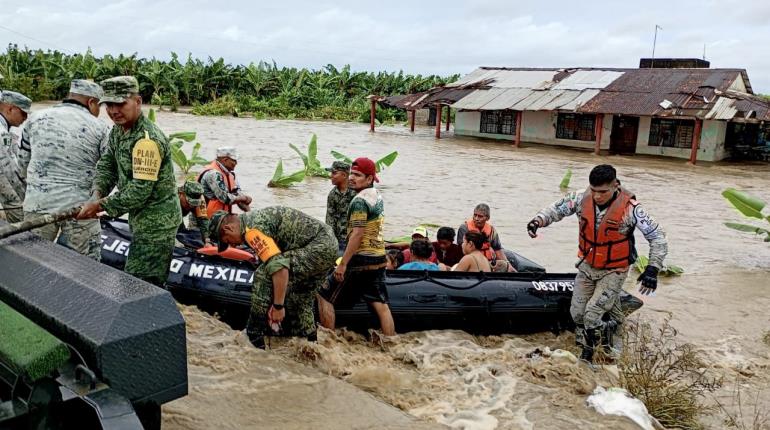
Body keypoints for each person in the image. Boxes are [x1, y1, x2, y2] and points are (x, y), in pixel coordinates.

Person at [526, 164, 667, 363]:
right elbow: (556, 209)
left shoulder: (631, 209)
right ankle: (610, 327)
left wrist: (653, 268)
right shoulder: (580, 198)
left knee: (591, 315)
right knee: (577, 313)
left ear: (615, 185)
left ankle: (590, 356)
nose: (597, 196)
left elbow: (658, 237)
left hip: (614, 271)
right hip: (587, 267)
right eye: (594, 191)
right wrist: (538, 221)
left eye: (602, 192)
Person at [77, 76, 182, 286]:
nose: (114, 111)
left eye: (121, 104)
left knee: (139, 284)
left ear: (138, 102)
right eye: (109, 105)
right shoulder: (118, 131)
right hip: (139, 218)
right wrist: (97, 193)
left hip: (157, 224)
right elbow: (107, 165)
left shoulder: (147, 141)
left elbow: (139, 191)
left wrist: (101, 206)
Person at [208, 207, 337, 348]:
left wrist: (277, 306)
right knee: (301, 300)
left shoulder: (252, 231)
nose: (233, 245)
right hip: (329, 245)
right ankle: (311, 346)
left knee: (263, 274)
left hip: (319, 247)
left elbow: (280, 269)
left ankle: (254, 335)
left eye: (227, 241)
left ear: (228, 228)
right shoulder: (253, 220)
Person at [17, 80, 109, 260]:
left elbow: (22, 164)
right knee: (82, 268)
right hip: (81, 211)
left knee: (32, 263)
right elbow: (108, 171)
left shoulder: (35, 118)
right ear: (91, 102)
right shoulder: (100, 128)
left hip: (38, 205)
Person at [317, 157, 395, 336]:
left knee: (323, 295)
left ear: (369, 179)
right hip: (379, 257)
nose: (352, 177)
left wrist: (343, 264)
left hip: (360, 259)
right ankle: (391, 343)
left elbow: (357, 234)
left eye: (357, 175)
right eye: (352, 173)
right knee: (381, 305)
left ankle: (328, 343)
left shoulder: (359, 201)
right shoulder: (376, 195)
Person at [0, 90, 31, 223]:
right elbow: (8, 170)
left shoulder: (5, 129)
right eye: (23, 113)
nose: (25, 118)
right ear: (10, 109)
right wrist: (24, 193)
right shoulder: (2, 132)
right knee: (19, 218)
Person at [197, 146, 251, 215]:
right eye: (234, 160)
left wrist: (247, 208)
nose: (236, 163)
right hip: (204, 219)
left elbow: (237, 193)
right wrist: (243, 198)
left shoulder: (231, 174)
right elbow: (225, 198)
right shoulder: (213, 174)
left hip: (222, 217)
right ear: (225, 160)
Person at [325, 160, 356, 252]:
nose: (331, 176)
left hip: (354, 237)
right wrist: (330, 239)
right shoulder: (332, 194)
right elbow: (330, 218)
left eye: (334, 173)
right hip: (339, 239)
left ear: (344, 175)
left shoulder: (356, 192)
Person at [177, 181, 209, 247]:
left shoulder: (200, 198)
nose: (191, 206)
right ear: (181, 194)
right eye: (189, 203)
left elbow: (203, 220)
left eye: (195, 204)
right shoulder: (172, 197)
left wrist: (207, 239)